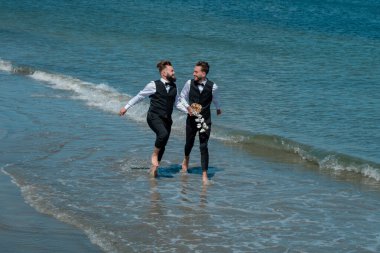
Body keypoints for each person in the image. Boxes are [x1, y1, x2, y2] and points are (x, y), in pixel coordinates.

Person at [119, 60, 178, 177]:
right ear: (163, 73)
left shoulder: (174, 86)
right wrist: (126, 107)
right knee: (163, 134)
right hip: (153, 117)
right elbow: (140, 96)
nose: (174, 72)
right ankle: (154, 155)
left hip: (167, 119)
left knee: (163, 144)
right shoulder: (153, 85)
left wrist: (190, 110)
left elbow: (177, 104)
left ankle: (154, 169)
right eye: (171, 70)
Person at [176, 61, 221, 184]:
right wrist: (188, 108)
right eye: (194, 71)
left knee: (203, 146)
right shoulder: (189, 83)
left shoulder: (213, 86)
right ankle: (186, 159)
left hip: (205, 120)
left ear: (203, 73)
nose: (193, 73)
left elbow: (215, 99)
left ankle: (205, 174)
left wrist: (218, 108)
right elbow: (182, 97)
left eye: (196, 72)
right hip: (191, 118)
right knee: (189, 143)